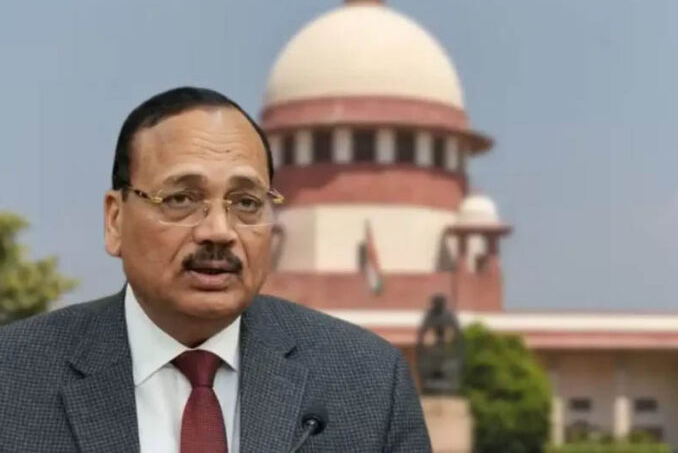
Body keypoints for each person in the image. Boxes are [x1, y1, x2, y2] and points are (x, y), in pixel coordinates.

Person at [0, 87, 431, 452]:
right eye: (181, 199)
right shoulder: (13, 378)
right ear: (115, 220)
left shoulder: (368, 382)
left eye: (246, 203)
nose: (219, 232)